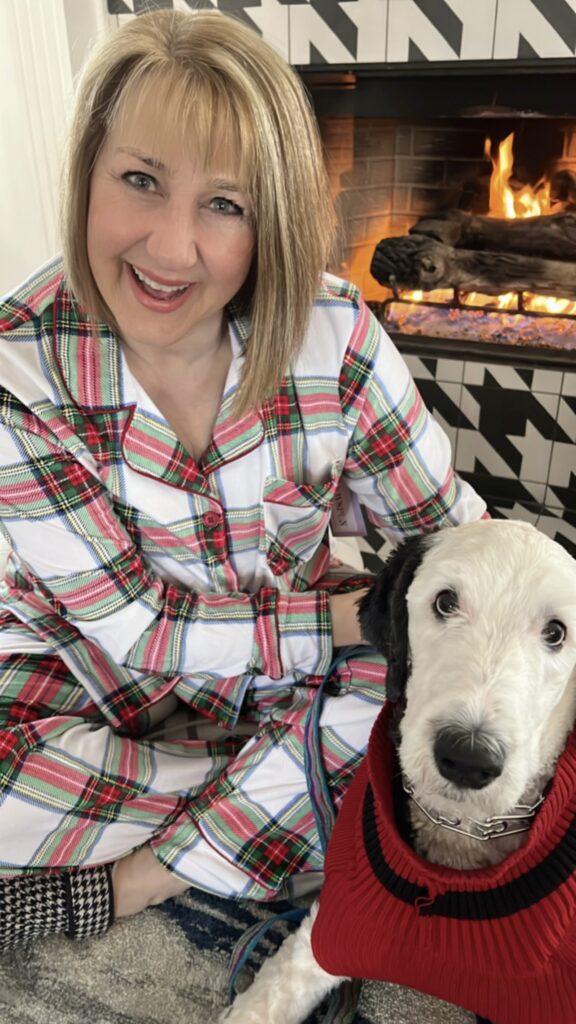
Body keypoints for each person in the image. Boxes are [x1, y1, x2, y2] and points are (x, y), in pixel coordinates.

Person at [0, 8, 486, 950]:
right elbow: (136, 631)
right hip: (88, 685)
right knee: (395, 771)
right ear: (87, 174)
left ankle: (135, 882)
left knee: (437, 695)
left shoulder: (337, 337)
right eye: (140, 181)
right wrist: (348, 622)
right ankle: (294, 815)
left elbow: (453, 541)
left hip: (283, 693)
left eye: (224, 205)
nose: (171, 250)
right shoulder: (17, 372)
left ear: (272, 222)